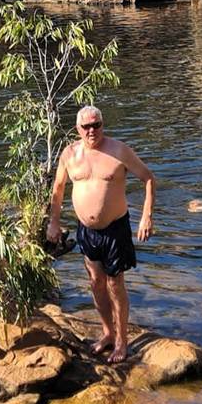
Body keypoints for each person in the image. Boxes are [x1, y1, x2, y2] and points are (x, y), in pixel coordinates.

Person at [47, 105, 156, 364]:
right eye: (86, 127)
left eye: (96, 125)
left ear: (103, 125)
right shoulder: (70, 154)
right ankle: (107, 332)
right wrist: (53, 222)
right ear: (78, 129)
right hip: (86, 230)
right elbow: (59, 188)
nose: (92, 130)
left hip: (115, 228)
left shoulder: (119, 151)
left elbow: (148, 178)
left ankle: (122, 341)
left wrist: (147, 216)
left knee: (115, 283)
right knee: (96, 282)